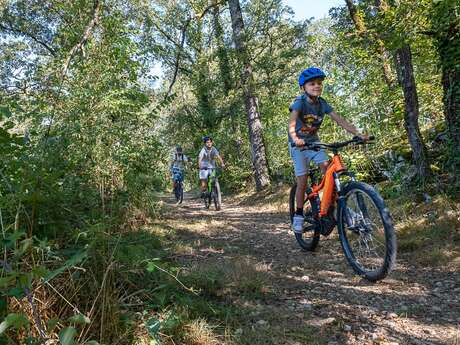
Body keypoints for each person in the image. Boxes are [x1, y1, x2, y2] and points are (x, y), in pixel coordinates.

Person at [289, 67, 368, 233]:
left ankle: (331, 209)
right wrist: (296, 139)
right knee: (302, 181)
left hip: (314, 143)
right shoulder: (299, 102)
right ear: (304, 87)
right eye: (312, 84)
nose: (317, 86)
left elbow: (341, 121)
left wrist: (358, 134)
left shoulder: (322, 104)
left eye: (319, 83)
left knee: (329, 169)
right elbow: (291, 123)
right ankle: (298, 214)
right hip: (299, 146)